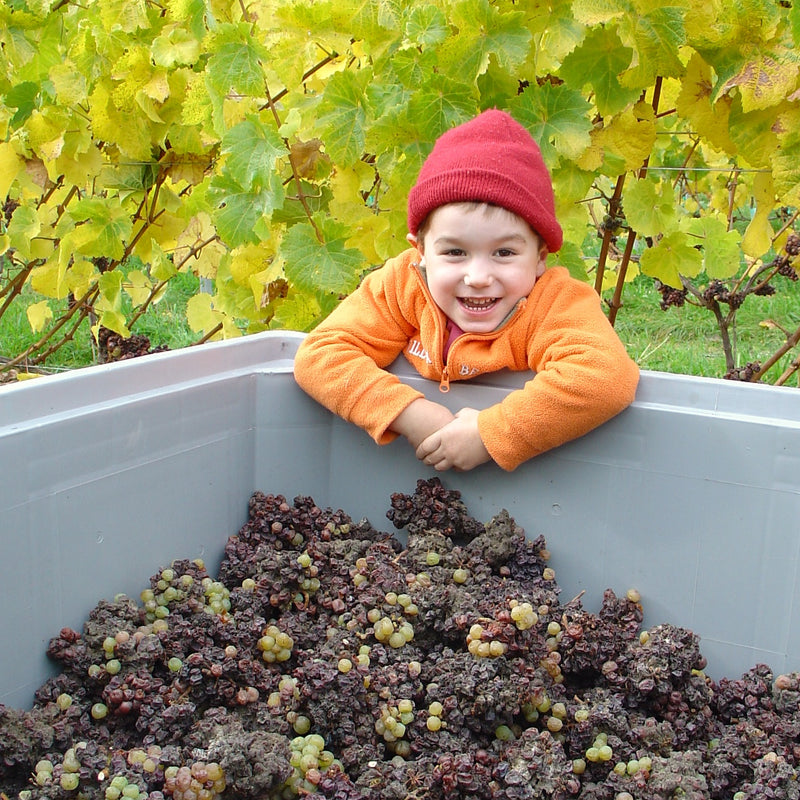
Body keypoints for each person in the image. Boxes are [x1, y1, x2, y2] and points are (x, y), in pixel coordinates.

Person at [293, 109, 639, 472]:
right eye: (455, 252)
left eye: (504, 253)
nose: (477, 276)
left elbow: (606, 377)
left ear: (539, 259)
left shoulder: (552, 302)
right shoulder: (403, 284)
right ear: (422, 252)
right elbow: (320, 355)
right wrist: (410, 413)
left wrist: (491, 432)